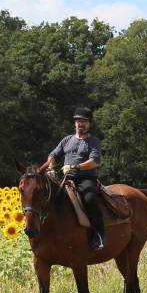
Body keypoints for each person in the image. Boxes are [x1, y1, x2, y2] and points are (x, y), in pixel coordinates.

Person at [44, 107, 105, 250]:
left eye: (84, 121)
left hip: (86, 179)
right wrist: (51, 166)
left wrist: (75, 167)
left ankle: (99, 235)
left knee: (90, 199)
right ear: (75, 123)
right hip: (66, 179)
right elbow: (52, 155)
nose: (80, 124)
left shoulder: (93, 141)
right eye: (78, 121)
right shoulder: (66, 140)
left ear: (89, 124)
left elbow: (95, 161)